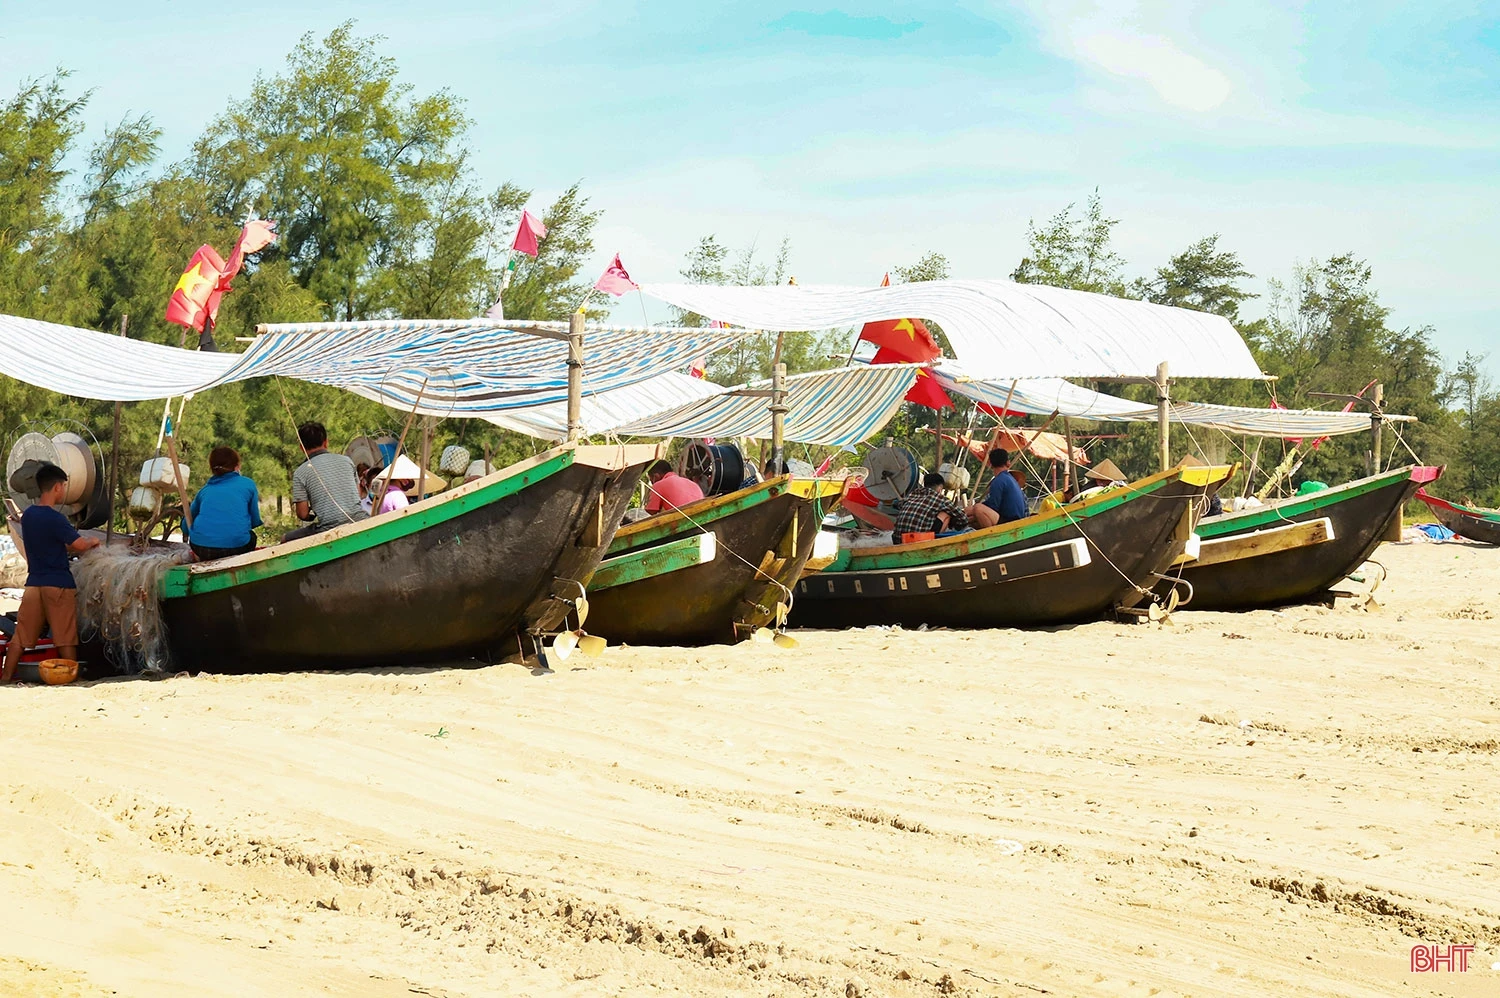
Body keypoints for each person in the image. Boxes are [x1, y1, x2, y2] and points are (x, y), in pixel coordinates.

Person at [2, 463, 101, 682]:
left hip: (34, 584)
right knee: (65, 637)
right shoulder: (56, 518)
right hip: (58, 584)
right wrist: (93, 540)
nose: (64, 491)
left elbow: (50, 544)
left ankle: (6, 678)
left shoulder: (28, 516)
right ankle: (72, 678)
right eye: (64, 486)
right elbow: (80, 545)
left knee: (20, 637)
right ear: (57, 487)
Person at [284, 421, 366, 542]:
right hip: (359, 519)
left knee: (285, 539)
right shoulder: (346, 461)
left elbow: (302, 514)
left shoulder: (300, 473)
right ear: (326, 442)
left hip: (328, 529)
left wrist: (312, 513)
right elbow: (358, 495)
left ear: (302, 448)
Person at [186, 446, 262, 561]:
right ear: (237, 467)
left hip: (202, 548)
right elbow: (255, 521)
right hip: (238, 546)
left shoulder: (204, 491)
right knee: (251, 537)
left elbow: (186, 524)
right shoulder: (248, 484)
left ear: (212, 469)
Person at [892, 472, 968, 542]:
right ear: (940, 488)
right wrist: (954, 524)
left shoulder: (913, 494)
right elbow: (963, 519)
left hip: (897, 540)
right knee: (945, 514)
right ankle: (936, 542)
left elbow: (898, 505)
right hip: (919, 541)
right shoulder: (940, 499)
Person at [967, 448, 1029, 529]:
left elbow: (993, 506)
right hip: (1014, 519)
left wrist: (971, 510)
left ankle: (991, 537)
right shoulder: (1009, 478)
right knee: (973, 520)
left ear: (991, 464)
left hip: (1011, 522)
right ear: (1008, 463)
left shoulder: (999, 480)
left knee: (978, 508)